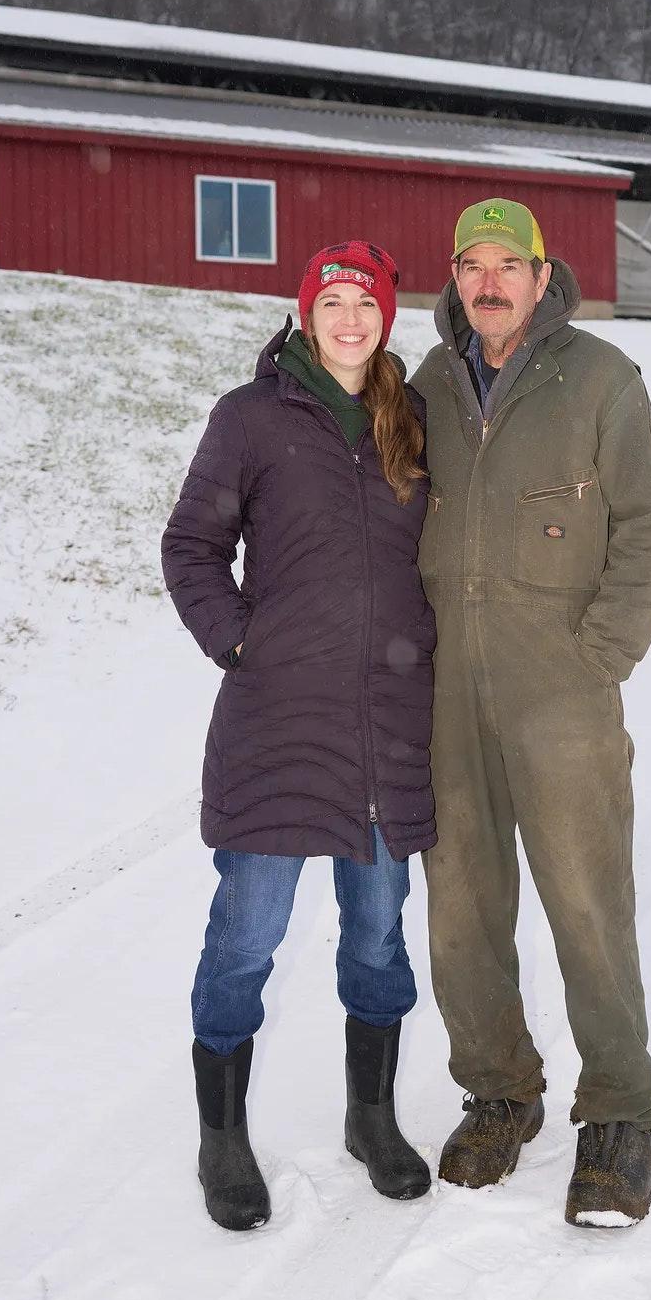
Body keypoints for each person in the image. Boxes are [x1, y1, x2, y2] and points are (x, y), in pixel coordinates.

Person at [411, 198, 651, 1228]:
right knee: (460, 912)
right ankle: (497, 1091)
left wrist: (597, 658)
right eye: (470, 263)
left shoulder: (603, 379)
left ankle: (618, 1117)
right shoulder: (428, 382)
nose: (487, 282)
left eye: (505, 264)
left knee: (586, 908)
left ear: (539, 274)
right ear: (456, 277)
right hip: (444, 697)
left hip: (560, 698)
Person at [161, 241, 437, 1231]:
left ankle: (371, 1116)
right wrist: (242, 641)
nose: (350, 318)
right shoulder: (251, 418)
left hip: (388, 731)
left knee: (376, 937)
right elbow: (192, 545)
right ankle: (222, 1136)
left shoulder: (412, 419)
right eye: (333, 301)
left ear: (387, 314)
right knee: (247, 938)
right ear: (305, 313)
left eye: (367, 301)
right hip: (277, 724)